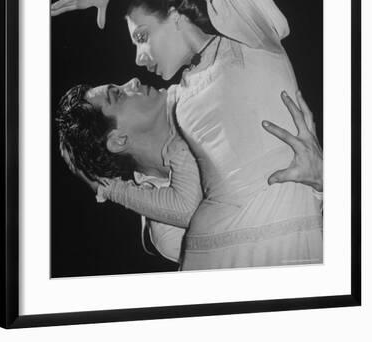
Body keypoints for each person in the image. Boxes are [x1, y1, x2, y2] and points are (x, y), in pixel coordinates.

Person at [52, 0, 323, 269]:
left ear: (175, 15)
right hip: (222, 261)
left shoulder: (245, 31)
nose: (137, 63)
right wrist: (106, 185)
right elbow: (185, 200)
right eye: (136, 43)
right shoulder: (181, 101)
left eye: (142, 36)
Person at [57, 79, 322, 266]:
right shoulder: (168, 233)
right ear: (119, 140)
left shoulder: (207, 99)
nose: (134, 81)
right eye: (119, 95)